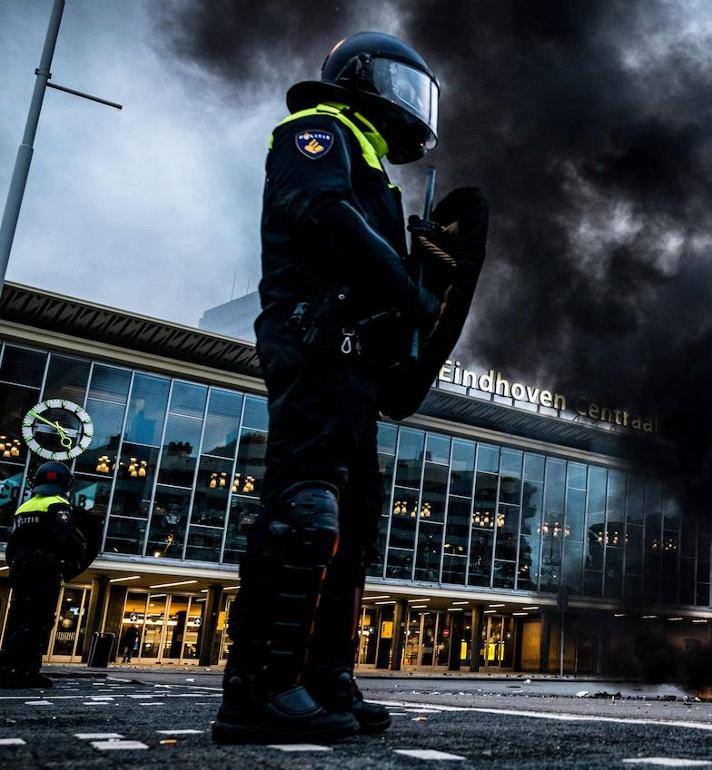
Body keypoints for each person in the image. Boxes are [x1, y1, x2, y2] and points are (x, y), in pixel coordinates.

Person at [213, 31, 487, 745]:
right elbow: (323, 215)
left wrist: (427, 274)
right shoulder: (317, 130)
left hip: (355, 358)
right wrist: (405, 285)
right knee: (304, 508)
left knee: (353, 523)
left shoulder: (370, 161)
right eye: (399, 83)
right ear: (360, 77)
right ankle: (259, 689)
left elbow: (366, 254)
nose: (410, 103)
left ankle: (325, 677)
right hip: (313, 340)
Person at [0, 461, 102, 688]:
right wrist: (74, 561)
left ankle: (26, 671)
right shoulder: (58, 505)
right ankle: (6, 663)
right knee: (40, 621)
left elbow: (13, 543)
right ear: (66, 484)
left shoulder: (25, 507)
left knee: (20, 618)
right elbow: (65, 538)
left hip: (21, 569)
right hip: (43, 570)